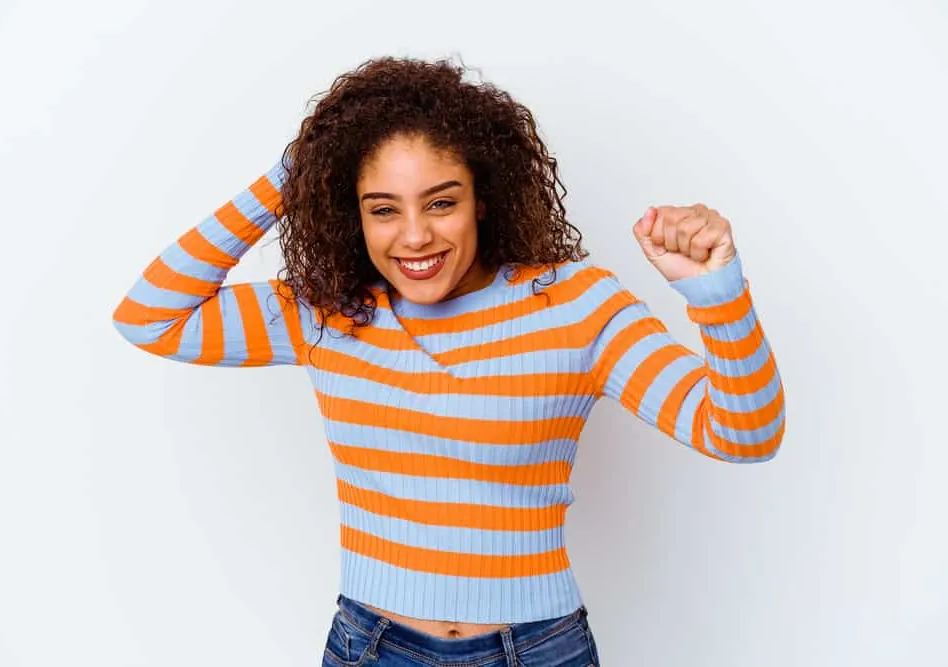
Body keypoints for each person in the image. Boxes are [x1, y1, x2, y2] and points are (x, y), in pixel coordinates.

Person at [112, 56, 785, 666]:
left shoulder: (575, 305)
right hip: (371, 645)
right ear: (353, 213)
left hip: (537, 648)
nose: (414, 235)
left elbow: (744, 434)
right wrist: (295, 173)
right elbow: (148, 316)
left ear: (482, 197)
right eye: (383, 208)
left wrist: (715, 293)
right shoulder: (326, 311)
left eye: (441, 202)